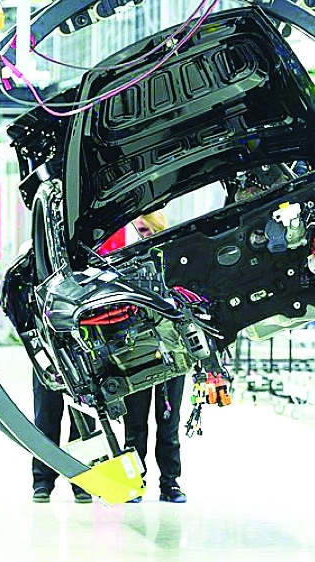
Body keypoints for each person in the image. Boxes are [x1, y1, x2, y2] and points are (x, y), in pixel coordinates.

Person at [124, 210, 188, 503]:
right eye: (139, 231)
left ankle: (170, 484)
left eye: (146, 231)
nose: (142, 236)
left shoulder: (175, 259)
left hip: (172, 351)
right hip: (137, 352)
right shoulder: (126, 263)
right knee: (134, 423)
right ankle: (133, 482)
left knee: (169, 421)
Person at [31, 369, 93, 504]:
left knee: (84, 425)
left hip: (81, 359)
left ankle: (82, 479)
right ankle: (43, 480)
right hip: (45, 360)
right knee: (45, 421)